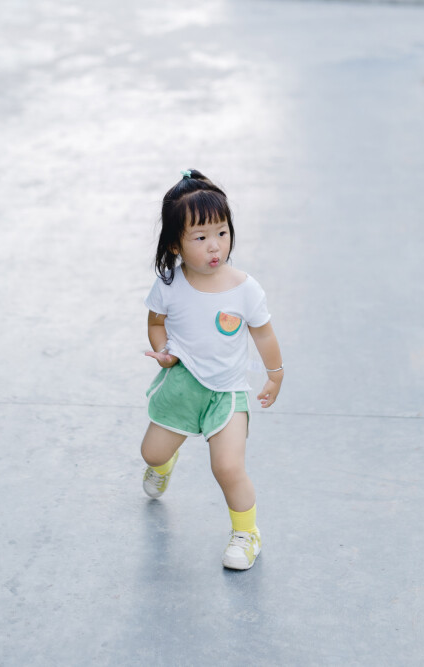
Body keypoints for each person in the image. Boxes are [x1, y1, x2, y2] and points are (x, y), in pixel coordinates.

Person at [139, 169, 283, 571]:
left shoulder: (244, 288)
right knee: (150, 453)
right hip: (183, 384)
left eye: (221, 232)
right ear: (175, 245)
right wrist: (164, 350)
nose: (214, 246)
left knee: (228, 466)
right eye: (200, 238)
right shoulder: (169, 284)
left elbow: (264, 333)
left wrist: (275, 373)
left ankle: (246, 534)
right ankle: (165, 463)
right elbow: (155, 322)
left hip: (227, 393)